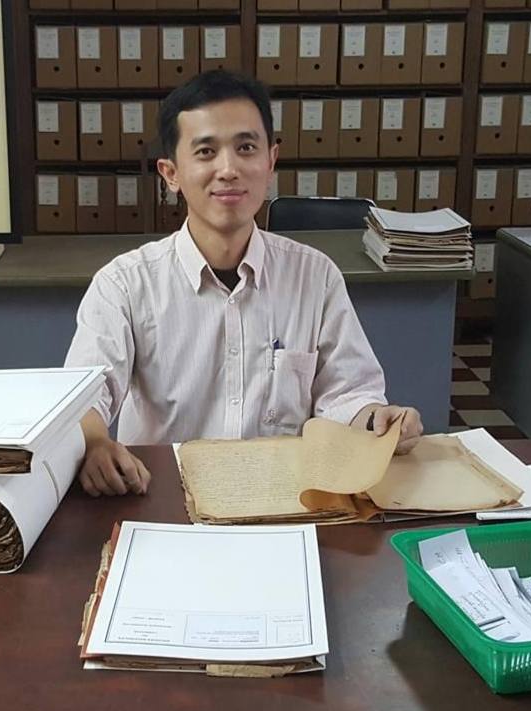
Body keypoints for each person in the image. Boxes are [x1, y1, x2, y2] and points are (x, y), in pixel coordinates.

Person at [65, 70, 423, 497]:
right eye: (206, 151)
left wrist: (377, 419)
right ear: (171, 172)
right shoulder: (124, 284)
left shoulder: (315, 277)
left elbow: (346, 394)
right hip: (165, 498)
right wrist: (95, 443)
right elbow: (83, 397)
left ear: (270, 161)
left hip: (286, 497)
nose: (229, 169)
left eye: (246, 148)